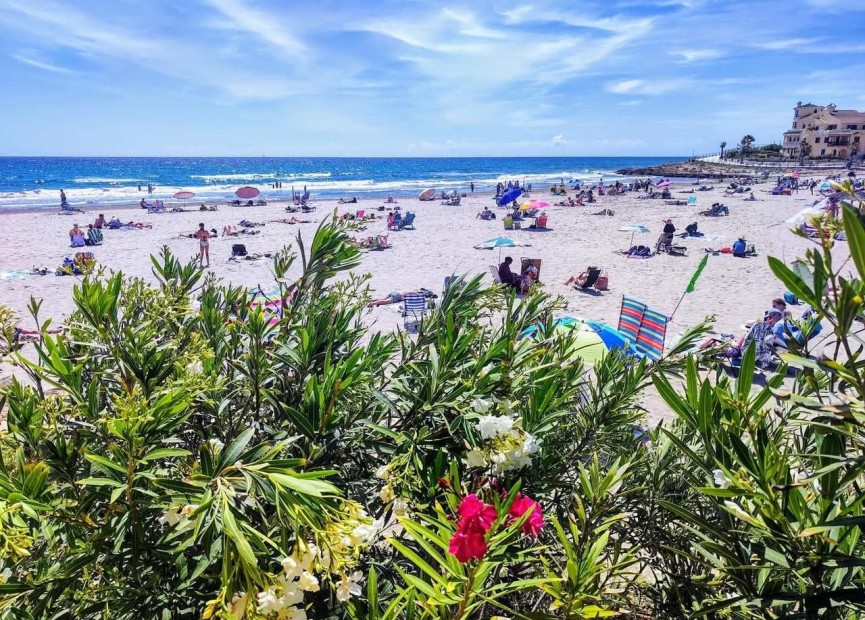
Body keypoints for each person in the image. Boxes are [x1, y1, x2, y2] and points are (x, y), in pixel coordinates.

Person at [368, 288, 436, 307]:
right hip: (398, 296)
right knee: (385, 302)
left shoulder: (413, 290)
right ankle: (372, 303)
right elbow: (422, 300)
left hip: (395, 292)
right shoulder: (416, 294)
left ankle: (372, 300)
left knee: (383, 299)